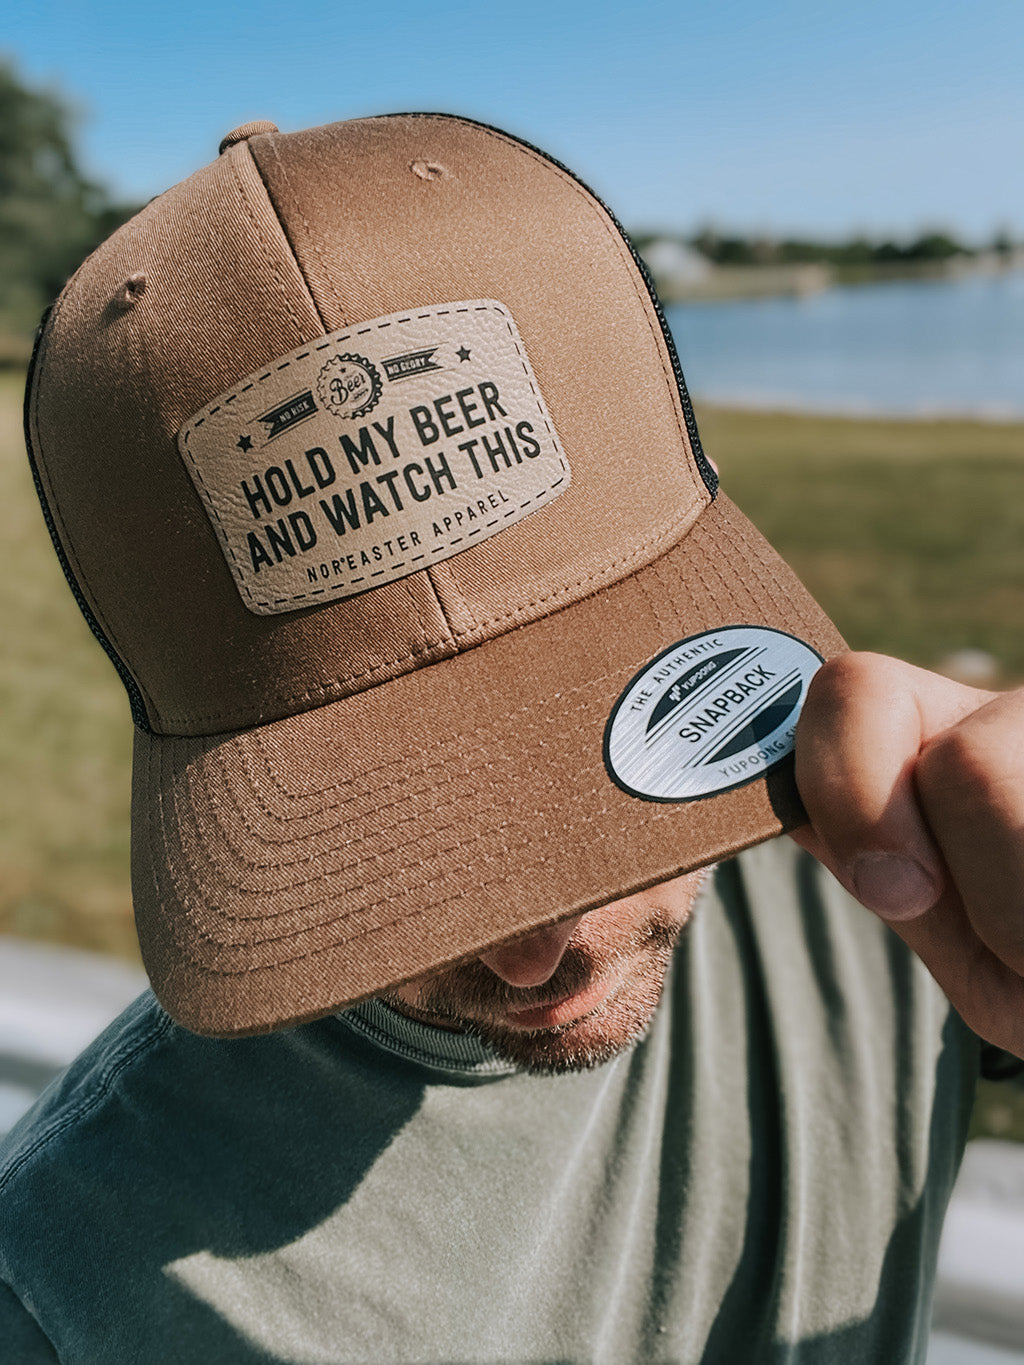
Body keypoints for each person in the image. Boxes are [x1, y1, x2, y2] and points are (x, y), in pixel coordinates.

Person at [1, 113, 1021, 1364]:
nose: (541, 953)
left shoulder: (897, 879)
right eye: (389, 831)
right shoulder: (71, 1292)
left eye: (593, 760)